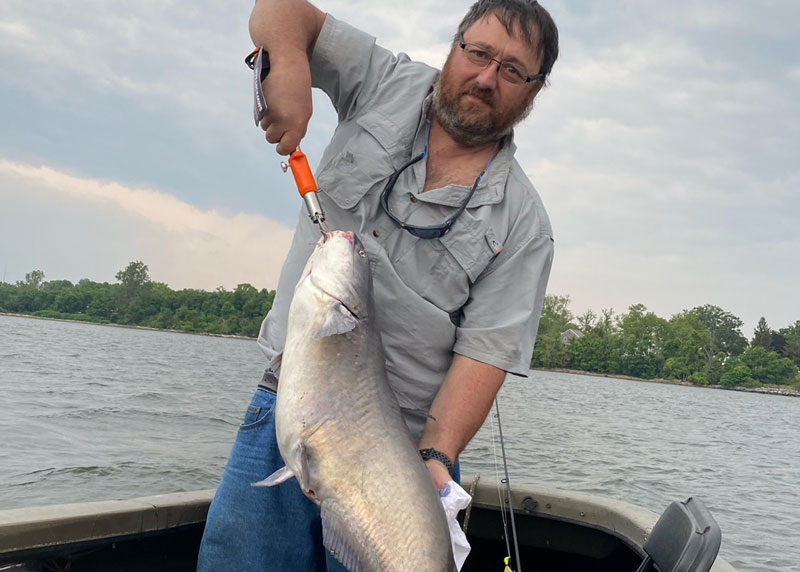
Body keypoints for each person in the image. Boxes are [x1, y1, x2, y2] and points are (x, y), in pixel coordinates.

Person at [197, 0, 559, 570]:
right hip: (291, 402)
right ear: (454, 47)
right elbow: (281, 11)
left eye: (512, 71)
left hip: (406, 452)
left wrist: (436, 458)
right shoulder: (383, 81)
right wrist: (288, 64)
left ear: (534, 93)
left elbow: (483, 356)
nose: (486, 78)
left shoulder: (525, 226)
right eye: (479, 53)